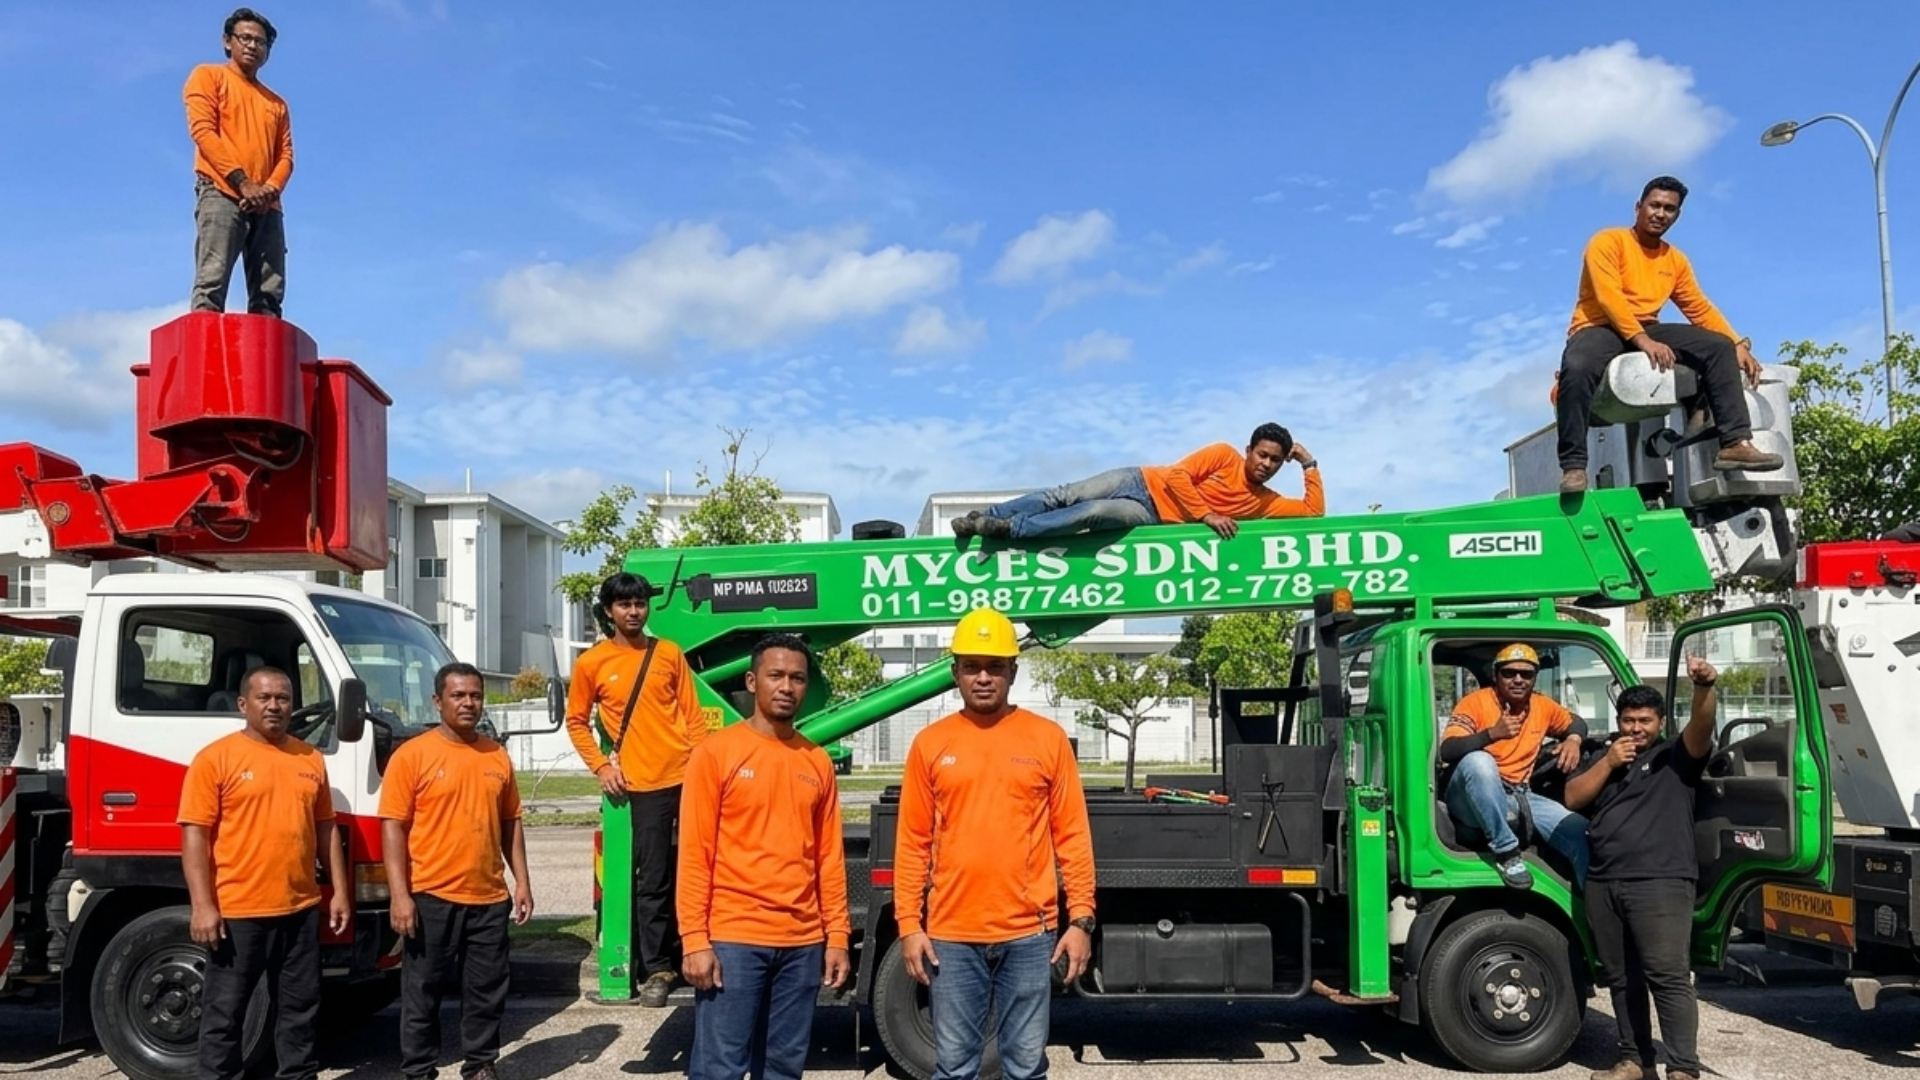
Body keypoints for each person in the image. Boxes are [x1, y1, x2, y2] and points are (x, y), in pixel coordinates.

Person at [894, 608, 1097, 1080]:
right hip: (951, 937)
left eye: (994, 667)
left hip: (1029, 935)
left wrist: (1081, 920)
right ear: (955, 673)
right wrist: (909, 924)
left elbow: (1072, 835)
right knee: (954, 1067)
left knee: (1026, 1067)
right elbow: (912, 842)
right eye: (972, 667)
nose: (983, 678)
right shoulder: (930, 744)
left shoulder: (1047, 740)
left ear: (1013, 671)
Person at [678, 634, 851, 1080]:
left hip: (802, 943)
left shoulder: (816, 762)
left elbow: (828, 859)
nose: (787, 687)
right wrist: (695, 940)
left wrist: (836, 937)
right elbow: (695, 854)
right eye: (776, 675)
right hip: (734, 939)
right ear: (752, 681)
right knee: (720, 1069)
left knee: (783, 1068)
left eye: (797, 678)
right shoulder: (716, 754)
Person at [1554, 176, 1784, 494]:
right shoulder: (1607, 241)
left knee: (1718, 347)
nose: (1660, 213)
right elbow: (1609, 298)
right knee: (1578, 365)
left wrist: (1737, 343)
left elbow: (1698, 306)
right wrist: (1642, 341)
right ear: (1638, 207)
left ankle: (1734, 443)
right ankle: (1574, 466)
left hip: (1646, 325)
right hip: (1599, 325)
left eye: (1669, 209)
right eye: (1655, 205)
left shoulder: (1675, 260)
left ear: (1677, 215)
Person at [179, 666, 350, 1080]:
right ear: (244, 704)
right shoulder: (215, 759)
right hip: (239, 911)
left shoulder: (310, 759)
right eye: (264, 698)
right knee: (225, 1013)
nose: (274, 706)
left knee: (300, 1010)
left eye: (283, 698)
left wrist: (340, 892)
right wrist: (203, 906)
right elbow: (195, 835)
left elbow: (325, 828)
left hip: (300, 909)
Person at [1564, 658, 1719, 1080]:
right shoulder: (1604, 756)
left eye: (1645, 721)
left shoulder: (1675, 756)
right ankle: (1635, 1060)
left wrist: (1704, 687)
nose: (1636, 729)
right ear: (1618, 721)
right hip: (1604, 881)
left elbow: (1702, 727)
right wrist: (1609, 763)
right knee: (1621, 978)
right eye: (1629, 720)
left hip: (1660, 882)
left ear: (1660, 722)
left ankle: (1683, 1068)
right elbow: (1573, 798)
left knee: (1667, 976)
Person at [381, 662, 535, 1080]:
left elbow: (511, 822)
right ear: (438, 701)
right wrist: (400, 895)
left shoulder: (496, 755)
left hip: (488, 898)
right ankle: (419, 1070)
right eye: (458, 695)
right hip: (430, 896)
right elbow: (393, 827)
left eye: (475, 695)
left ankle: (481, 1064)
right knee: (422, 992)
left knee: (486, 991)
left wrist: (522, 881)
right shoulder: (412, 755)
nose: (468, 703)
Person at [564, 572, 708, 1007]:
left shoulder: (668, 653)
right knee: (654, 881)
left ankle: (706, 951)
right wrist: (601, 766)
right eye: (624, 605)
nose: (633, 612)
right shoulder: (592, 663)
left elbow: (693, 716)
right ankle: (658, 968)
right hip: (643, 786)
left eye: (640, 603)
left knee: (704, 870)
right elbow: (576, 722)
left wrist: (704, 769)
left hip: (688, 778)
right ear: (609, 611)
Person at [953, 422, 1322, 541]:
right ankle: (984, 518)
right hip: (1140, 480)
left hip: (1150, 515)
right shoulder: (1223, 454)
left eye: (1275, 460)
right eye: (1262, 455)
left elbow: (1313, 512)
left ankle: (1010, 529)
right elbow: (1177, 475)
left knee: (1091, 512)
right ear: (1249, 450)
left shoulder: (1265, 502)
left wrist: (1308, 464)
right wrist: (1207, 514)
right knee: (1067, 494)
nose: (1267, 464)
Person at [1438, 643, 1590, 890]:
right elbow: (1448, 749)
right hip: (1469, 795)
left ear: (1534, 678)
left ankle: (1593, 905)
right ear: (1496, 676)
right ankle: (1507, 852)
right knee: (1479, 761)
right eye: (1509, 673)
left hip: (1520, 794)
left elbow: (1577, 723)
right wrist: (1491, 734)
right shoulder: (1475, 702)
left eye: (1526, 674)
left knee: (1581, 833)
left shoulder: (1542, 705)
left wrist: (1573, 740)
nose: (1518, 679)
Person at [184, 8, 293, 318]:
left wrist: (269, 190)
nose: (252, 45)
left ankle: (264, 347)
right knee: (211, 282)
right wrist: (242, 182)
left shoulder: (277, 103)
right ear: (227, 41)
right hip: (221, 191)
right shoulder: (208, 76)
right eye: (245, 38)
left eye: (261, 42)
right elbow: (203, 132)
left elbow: (286, 155)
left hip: (267, 204)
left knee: (268, 294)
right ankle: (204, 345)